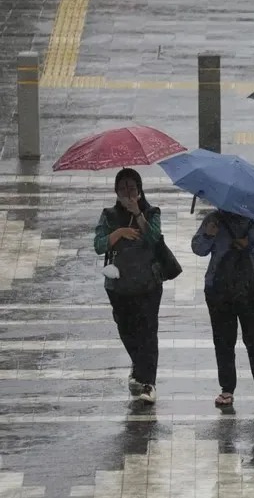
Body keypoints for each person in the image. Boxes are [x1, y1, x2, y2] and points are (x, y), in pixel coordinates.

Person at [191, 209, 254, 407]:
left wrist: (251, 244)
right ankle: (227, 389)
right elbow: (198, 248)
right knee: (223, 340)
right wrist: (208, 234)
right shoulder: (214, 219)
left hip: (251, 288)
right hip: (218, 288)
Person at [94, 168, 163, 404]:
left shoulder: (152, 212)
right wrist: (120, 232)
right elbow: (99, 245)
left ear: (140, 189)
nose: (128, 192)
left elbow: (154, 238)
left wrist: (138, 215)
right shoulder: (108, 215)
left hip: (148, 283)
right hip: (118, 284)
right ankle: (138, 364)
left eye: (132, 187)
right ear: (116, 191)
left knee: (148, 331)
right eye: (123, 188)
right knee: (126, 329)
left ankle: (148, 382)